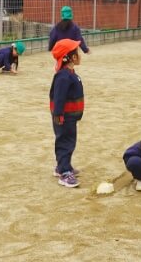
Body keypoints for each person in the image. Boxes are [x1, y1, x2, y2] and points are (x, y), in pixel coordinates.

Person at [50, 38, 85, 188]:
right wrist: (58, 114)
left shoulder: (70, 72)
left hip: (71, 117)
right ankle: (64, 172)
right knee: (65, 142)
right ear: (71, 57)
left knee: (70, 142)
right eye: (77, 52)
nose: (79, 55)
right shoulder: (63, 76)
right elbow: (58, 97)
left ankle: (63, 166)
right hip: (64, 117)